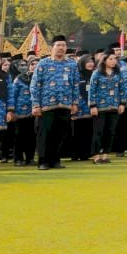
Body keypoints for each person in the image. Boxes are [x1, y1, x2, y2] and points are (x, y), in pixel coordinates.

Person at [31, 36, 79, 170]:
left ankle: (55, 160)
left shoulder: (72, 64)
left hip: (65, 104)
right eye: (58, 45)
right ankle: (43, 161)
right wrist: (36, 104)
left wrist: (75, 103)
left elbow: (75, 84)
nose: (61, 48)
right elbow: (35, 85)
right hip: (46, 105)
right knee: (44, 134)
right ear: (52, 47)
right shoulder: (43, 63)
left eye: (63, 45)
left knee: (59, 134)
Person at [88, 52, 124, 164]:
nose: (114, 61)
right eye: (111, 59)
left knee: (110, 131)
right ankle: (96, 156)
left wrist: (122, 103)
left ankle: (105, 155)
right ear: (104, 60)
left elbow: (122, 89)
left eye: (115, 59)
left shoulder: (118, 73)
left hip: (114, 106)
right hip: (100, 107)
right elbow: (92, 90)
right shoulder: (97, 73)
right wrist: (92, 105)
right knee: (98, 132)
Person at [9, 56, 37, 166]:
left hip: (35, 112)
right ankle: (18, 158)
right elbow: (13, 95)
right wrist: (12, 110)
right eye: (32, 64)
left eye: (37, 64)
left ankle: (30, 158)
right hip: (19, 112)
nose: (34, 66)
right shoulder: (19, 78)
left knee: (32, 136)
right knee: (19, 136)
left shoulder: (41, 78)